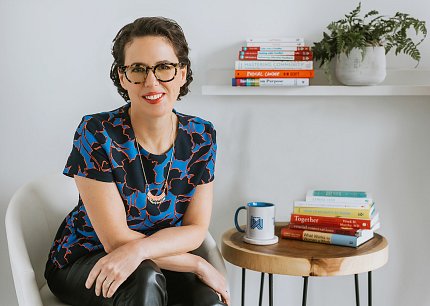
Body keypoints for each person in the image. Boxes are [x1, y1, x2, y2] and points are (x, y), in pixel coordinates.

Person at [44, 16, 230, 306]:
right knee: (145, 279)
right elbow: (115, 241)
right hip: (86, 258)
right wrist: (197, 264)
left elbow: (195, 230)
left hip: (160, 261)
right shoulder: (97, 132)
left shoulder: (201, 136)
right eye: (138, 69)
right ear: (122, 76)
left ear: (182, 73)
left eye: (164, 67)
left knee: (207, 298)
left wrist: (142, 252)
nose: (151, 81)